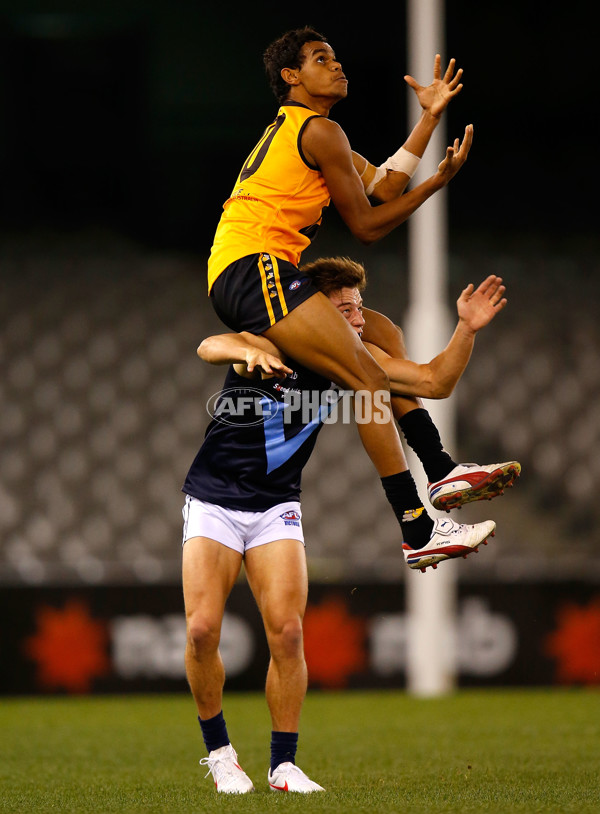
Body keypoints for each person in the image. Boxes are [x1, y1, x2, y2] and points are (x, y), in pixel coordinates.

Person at [183, 256, 516, 793]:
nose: (357, 320)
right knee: (201, 631)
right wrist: (244, 349)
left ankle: (283, 766)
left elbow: (435, 380)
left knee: (289, 634)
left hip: (276, 505)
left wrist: (465, 330)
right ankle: (221, 754)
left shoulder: (356, 363)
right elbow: (209, 346)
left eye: (359, 308)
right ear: (312, 311)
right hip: (214, 499)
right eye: (344, 309)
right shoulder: (275, 343)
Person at [205, 25, 476, 564]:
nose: (336, 65)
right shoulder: (320, 133)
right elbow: (369, 226)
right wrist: (438, 183)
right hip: (254, 266)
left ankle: (442, 473)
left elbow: (382, 187)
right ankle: (419, 525)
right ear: (291, 76)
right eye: (320, 58)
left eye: (335, 57)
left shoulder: (315, 133)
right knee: (369, 380)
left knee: (380, 335)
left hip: (250, 269)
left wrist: (427, 119)